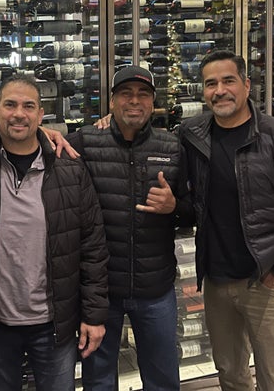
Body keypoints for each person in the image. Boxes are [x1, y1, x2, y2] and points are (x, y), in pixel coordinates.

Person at [177, 50, 274, 391]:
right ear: (203, 91)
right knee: (231, 376)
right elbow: (196, 203)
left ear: (246, 85)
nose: (220, 90)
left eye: (228, 81)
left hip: (267, 283)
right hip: (217, 283)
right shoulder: (193, 136)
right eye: (211, 83)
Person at [0, 73, 109, 391]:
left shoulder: (70, 169)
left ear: (41, 115)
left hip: (54, 324)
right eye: (10, 105)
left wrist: (94, 315)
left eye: (28, 106)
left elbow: (93, 246)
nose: (19, 114)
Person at [70, 65, 194, 391]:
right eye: (126, 94)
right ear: (112, 102)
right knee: (98, 381)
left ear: (153, 103)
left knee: (163, 380)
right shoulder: (85, 142)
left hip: (156, 290)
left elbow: (195, 212)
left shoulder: (172, 148)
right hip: (101, 292)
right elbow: (31, 140)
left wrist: (174, 207)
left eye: (143, 95)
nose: (134, 101)